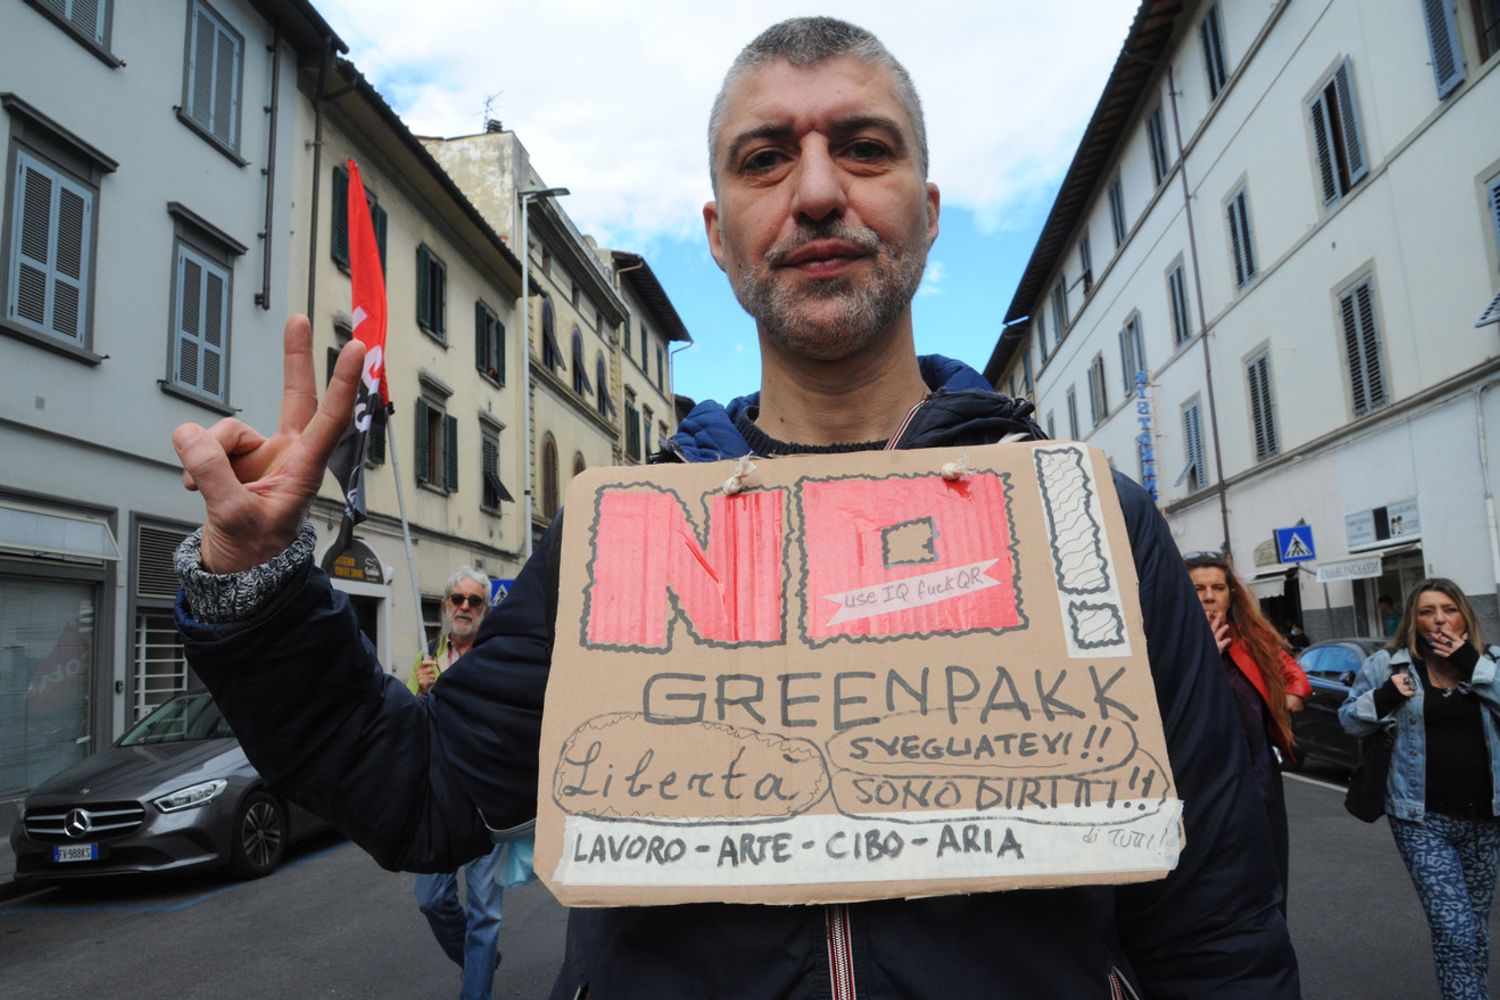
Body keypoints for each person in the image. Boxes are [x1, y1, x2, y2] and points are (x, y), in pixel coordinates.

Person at [169, 17, 1299, 998]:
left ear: (928, 210)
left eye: (864, 148)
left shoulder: (1091, 523)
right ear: (718, 234)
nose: (818, 192)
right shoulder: (618, 538)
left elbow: (1215, 921)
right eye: (767, 159)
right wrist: (254, 587)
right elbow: (425, 794)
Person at [1340, 579, 1500, 1000]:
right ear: (1413, 620)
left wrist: (1472, 665)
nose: (1439, 620)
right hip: (1421, 819)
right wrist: (1384, 697)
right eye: (1427, 611)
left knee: (1473, 929)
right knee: (1454, 929)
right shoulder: (1388, 665)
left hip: (1487, 820)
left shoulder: (1491, 662)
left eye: (1448, 609)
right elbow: (1349, 720)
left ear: (1464, 615)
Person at [1185, 552, 1311, 914]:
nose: (1209, 596)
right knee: (1218, 889)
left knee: (1270, 880)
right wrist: (1205, 656)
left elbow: (1294, 673)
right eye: (1198, 589)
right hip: (1203, 785)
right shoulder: (1170, 641)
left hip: (1259, 777)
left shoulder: (1250, 637)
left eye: (1218, 587)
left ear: (1231, 593)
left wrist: (1294, 695)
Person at [409, 567, 505, 1000]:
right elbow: (408, 725)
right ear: (446, 604)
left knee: (484, 914)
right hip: (439, 802)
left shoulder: (497, 656)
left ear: (485, 609)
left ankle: (476, 983)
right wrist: (420, 693)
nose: (465, 607)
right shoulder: (427, 657)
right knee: (431, 898)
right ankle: (480, 959)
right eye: (457, 599)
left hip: (487, 801)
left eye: (474, 600)